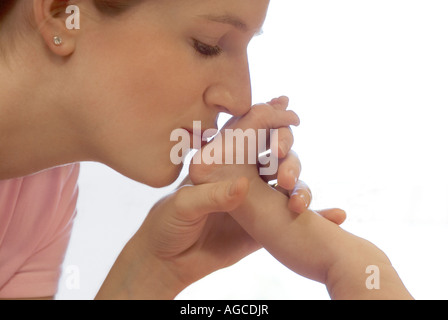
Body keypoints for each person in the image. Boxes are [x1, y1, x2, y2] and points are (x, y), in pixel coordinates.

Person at [0, 0, 344, 299]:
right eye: (207, 45)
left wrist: (156, 268)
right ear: (62, 13)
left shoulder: (45, 192)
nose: (240, 100)